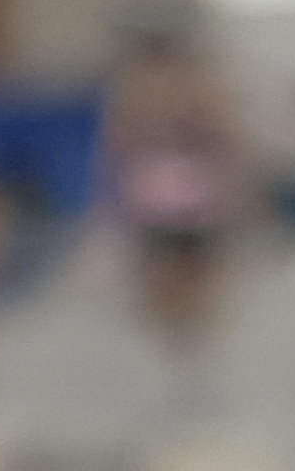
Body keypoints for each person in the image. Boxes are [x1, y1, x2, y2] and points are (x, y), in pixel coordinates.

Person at [102, 23, 240, 362]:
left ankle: (191, 331)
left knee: (192, 268)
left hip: (191, 200)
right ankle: (170, 328)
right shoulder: (134, 98)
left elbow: (223, 137)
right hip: (153, 200)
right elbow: (119, 144)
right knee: (160, 267)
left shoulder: (198, 95)